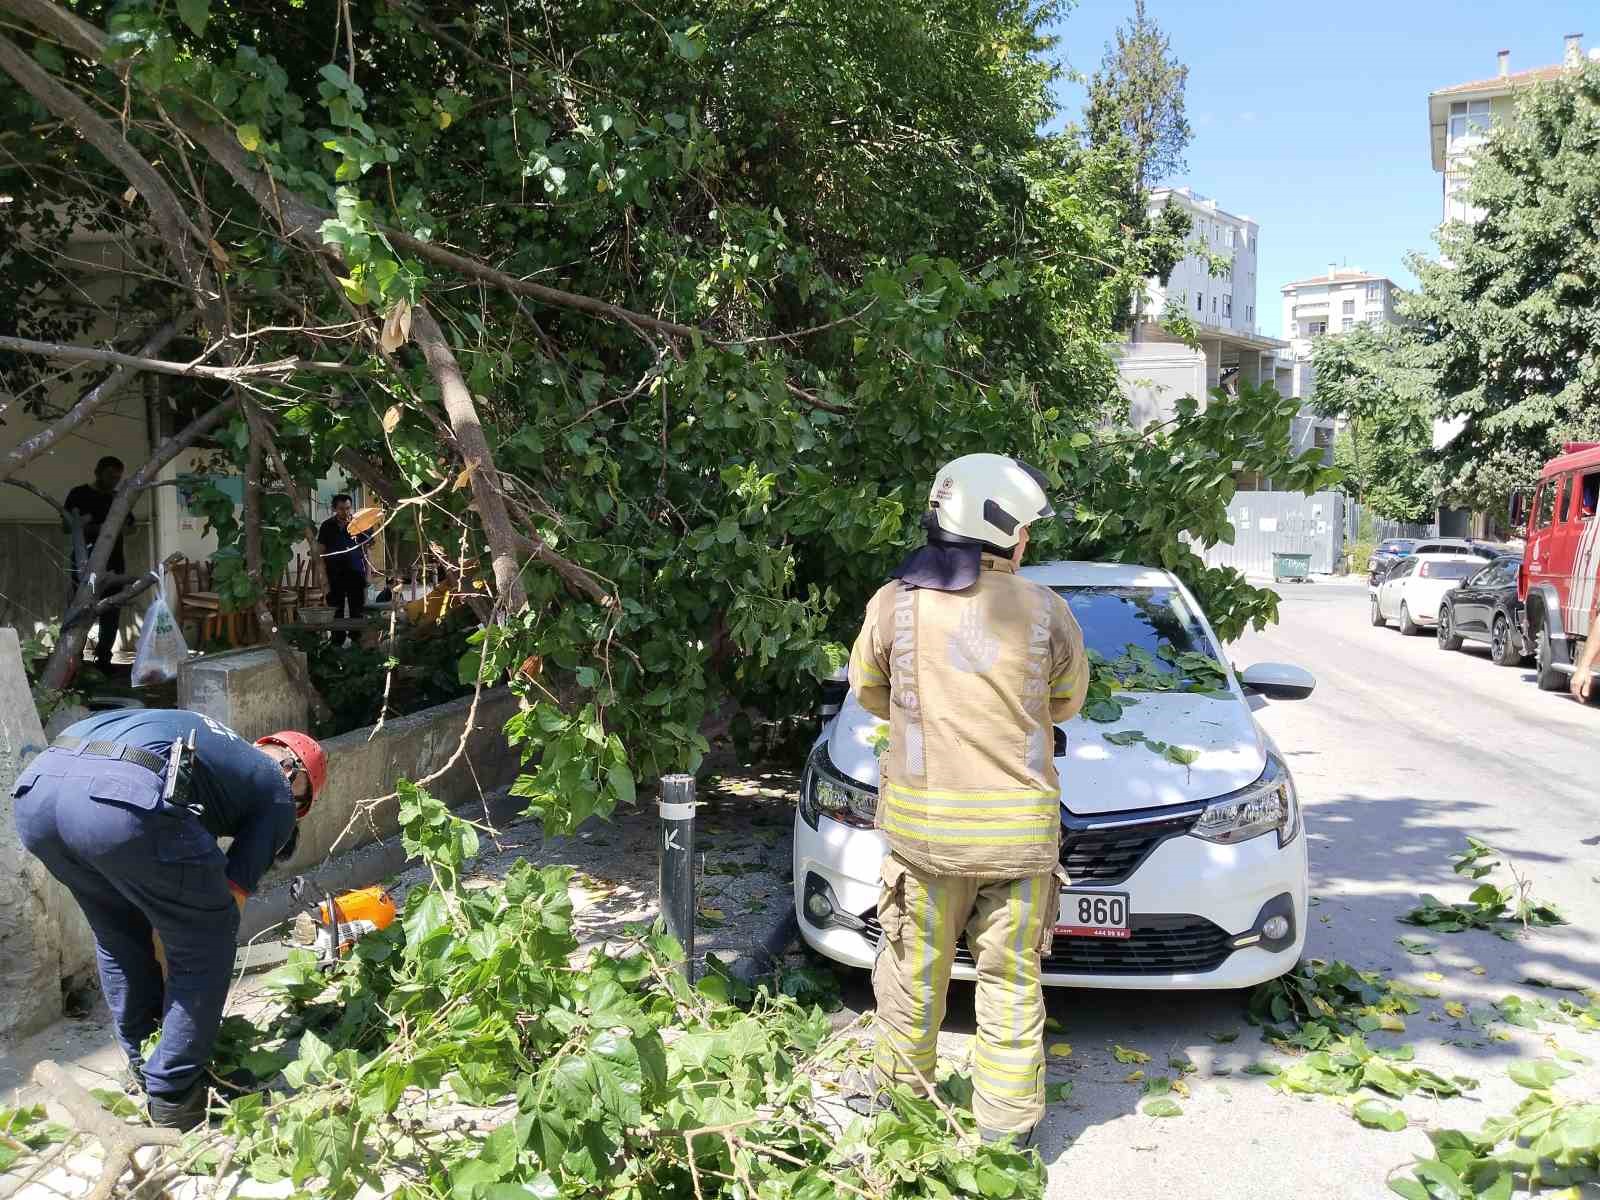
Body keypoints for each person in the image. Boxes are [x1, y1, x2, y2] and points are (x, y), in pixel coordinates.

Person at [847, 453, 1088, 1145]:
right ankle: (1007, 1136)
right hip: (1019, 846)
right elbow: (1066, 704)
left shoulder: (896, 602)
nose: (1029, 540)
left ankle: (904, 1116)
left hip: (925, 843)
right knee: (1010, 988)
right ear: (1002, 527)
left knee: (912, 981)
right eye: (1025, 528)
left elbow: (868, 690)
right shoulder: (1048, 611)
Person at [11, 711, 325, 1129]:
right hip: (119, 797)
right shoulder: (278, 794)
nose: (295, 814)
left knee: (119, 933)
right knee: (208, 937)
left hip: (37, 794)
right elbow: (224, 906)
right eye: (303, 803)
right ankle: (176, 1095)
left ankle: (146, 1064)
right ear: (296, 775)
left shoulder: (215, 748)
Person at [63, 456, 133, 670]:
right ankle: (75, 662)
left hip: (114, 563)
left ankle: (104, 661)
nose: (114, 481)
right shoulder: (79, 494)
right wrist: (100, 529)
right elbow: (67, 527)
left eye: (118, 478)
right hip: (84, 564)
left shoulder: (118, 498)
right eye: (110, 476)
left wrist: (116, 529)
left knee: (111, 613)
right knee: (80, 612)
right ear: (97, 472)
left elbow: (132, 526)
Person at [316, 493, 371, 647]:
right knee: (336, 610)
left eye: (348, 508)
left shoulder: (359, 524)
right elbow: (320, 551)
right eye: (341, 509)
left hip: (356, 573)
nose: (345, 512)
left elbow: (366, 550)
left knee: (357, 610)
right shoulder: (327, 526)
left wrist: (368, 574)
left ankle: (357, 642)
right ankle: (336, 642)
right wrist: (322, 578)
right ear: (335, 509)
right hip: (334, 574)